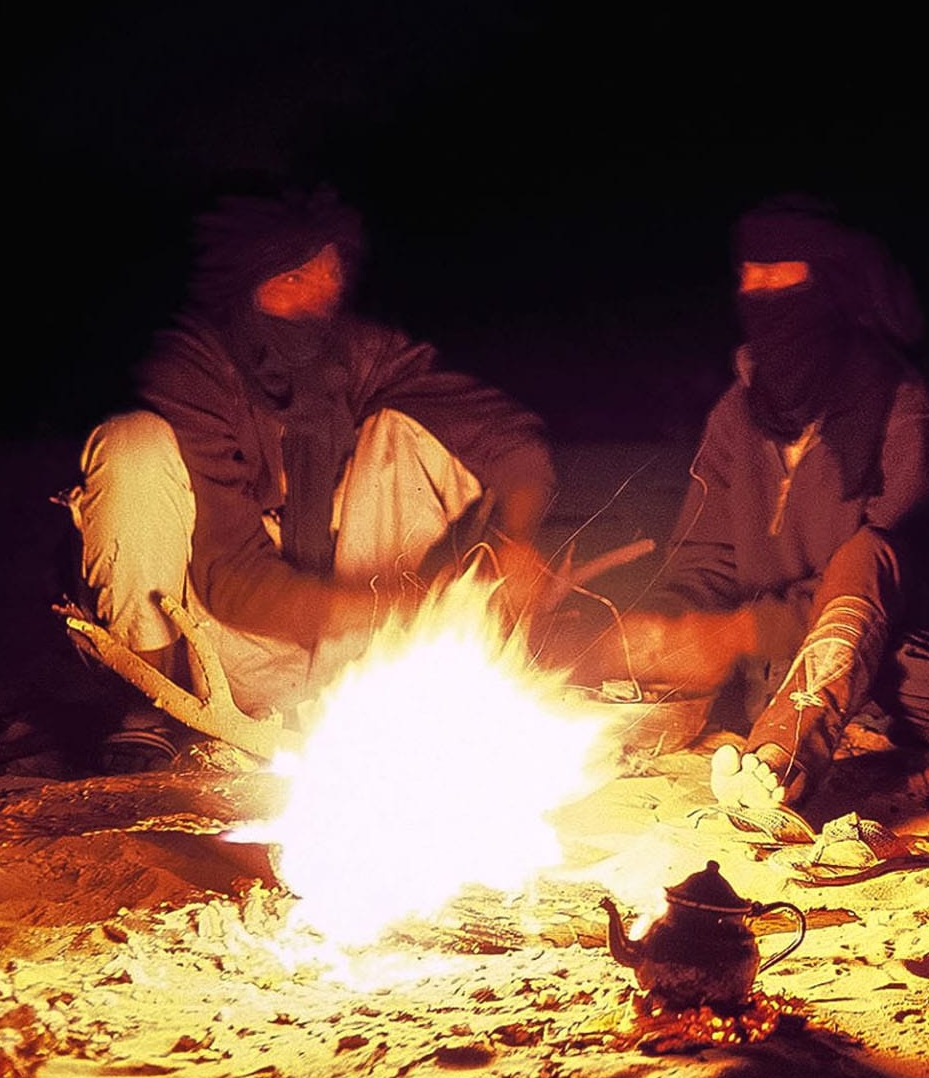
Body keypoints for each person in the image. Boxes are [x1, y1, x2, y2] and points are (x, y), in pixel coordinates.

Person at [65, 184, 562, 768]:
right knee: (133, 445)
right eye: (293, 280)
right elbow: (231, 577)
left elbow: (506, 438)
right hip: (214, 642)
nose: (322, 294)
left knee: (406, 429)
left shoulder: (359, 353)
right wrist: (408, 604)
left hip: (340, 650)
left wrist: (515, 543)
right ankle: (150, 706)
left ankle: (385, 692)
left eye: (329, 271)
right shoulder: (192, 370)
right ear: (240, 289)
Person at [604, 193, 929, 813]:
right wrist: (668, 627)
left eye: (781, 276)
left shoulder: (912, 411)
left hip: (901, 711)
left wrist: (741, 631)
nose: (759, 291)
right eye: (749, 276)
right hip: (767, 703)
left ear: (833, 288)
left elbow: (890, 575)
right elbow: (707, 558)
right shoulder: (739, 415)